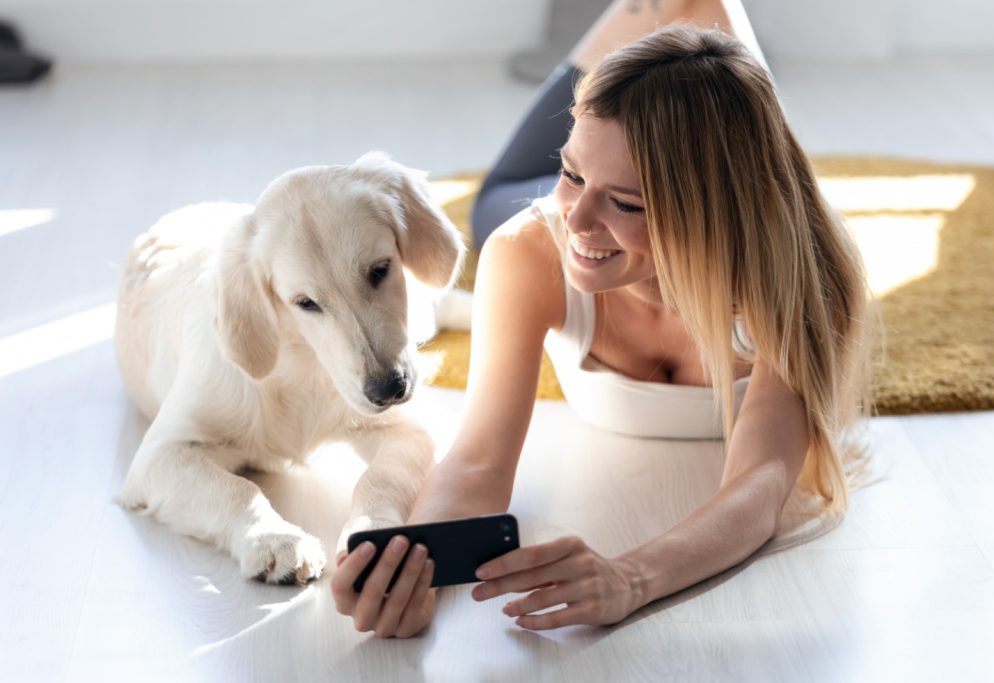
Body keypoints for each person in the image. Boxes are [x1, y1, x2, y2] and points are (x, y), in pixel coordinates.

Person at [330, 0, 872, 639]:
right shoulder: (530, 248)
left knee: (711, 40)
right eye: (571, 172)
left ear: (712, 212)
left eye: (627, 202)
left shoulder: (804, 281)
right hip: (513, 190)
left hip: (720, 200)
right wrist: (415, 562)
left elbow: (762, 483)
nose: (578, 220)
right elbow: (477, 462)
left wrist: (631, 578)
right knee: (510, 196)